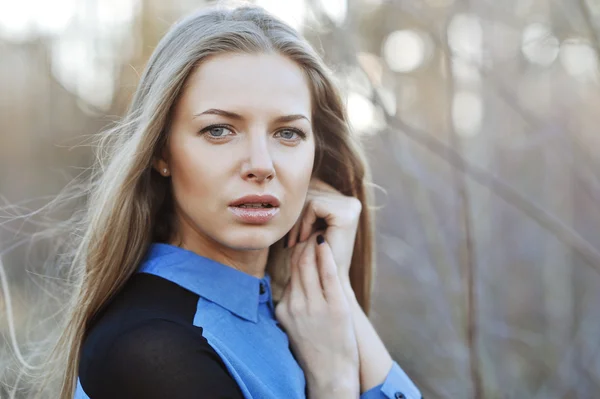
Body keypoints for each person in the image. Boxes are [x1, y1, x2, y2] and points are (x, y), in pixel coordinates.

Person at [28, 3, 422, 399]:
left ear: (316, 155)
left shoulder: (299, 320)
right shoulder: (150, 349)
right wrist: (334, 381)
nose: (261, 165)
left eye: (287, 133)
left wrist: (334, 291)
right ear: (161, 152)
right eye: (219, 130)